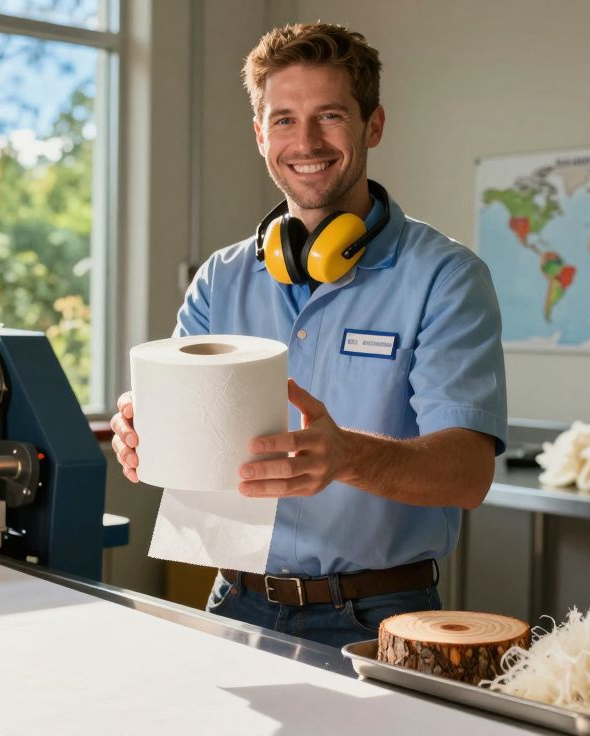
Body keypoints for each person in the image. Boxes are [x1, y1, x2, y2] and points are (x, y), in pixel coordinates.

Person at [109, 23, 507, 648]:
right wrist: (144, 433)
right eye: (285, 119)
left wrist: (347, 456)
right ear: (260, 133)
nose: (307, 141)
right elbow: (185, 436)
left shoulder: (446, 277)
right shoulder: (221, 277)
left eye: (329, 116)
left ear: (373, 125)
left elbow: (467, 474)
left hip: (381, 616)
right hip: (232, 601)